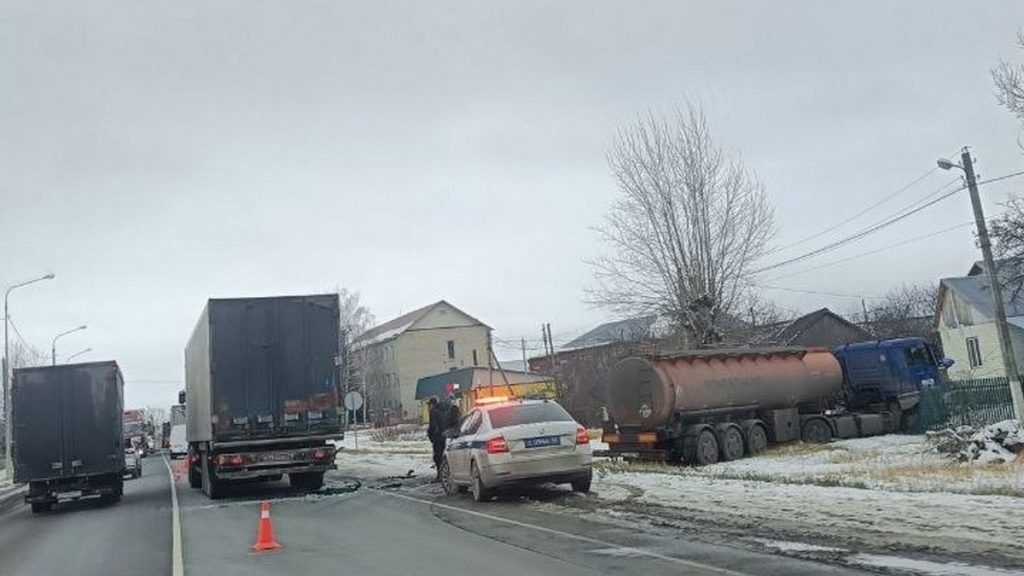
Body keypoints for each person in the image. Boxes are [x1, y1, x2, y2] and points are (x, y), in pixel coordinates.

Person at [426, 397, 445, 480]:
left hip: (437, 439)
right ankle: (445, 474)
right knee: (443, 456)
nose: (429, 407)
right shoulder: (443, 411)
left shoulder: (433, 412)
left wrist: (431, 435)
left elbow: (433, 426)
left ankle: (440, 475)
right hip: (444, 437)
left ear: (432, 404)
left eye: (429, 404)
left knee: (437, 457)